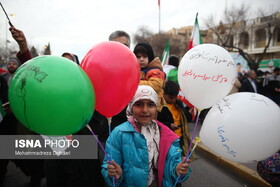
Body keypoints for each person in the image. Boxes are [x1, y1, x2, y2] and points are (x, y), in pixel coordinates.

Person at [101, 85, 191, 187]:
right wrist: (114, 174)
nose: (145, 110)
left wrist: (178, 170)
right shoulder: (119, 133)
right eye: (139, 104)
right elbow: (108, 165)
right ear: (131, 107)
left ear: (156, 108)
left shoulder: (167, 135)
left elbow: (172, 168)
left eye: (150, 105)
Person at [157, 81, 191, 157]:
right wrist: (169, 125)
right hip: (166, 141)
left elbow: (185, 117)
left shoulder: (178, 103)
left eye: (175, 97)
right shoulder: (159, 106)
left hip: (180, 139)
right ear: (163, 93)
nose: (173, 100)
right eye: (170, 97)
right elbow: (155, 122)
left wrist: (190, 114)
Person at [133, 42, 165, 112]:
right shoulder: (135, 70)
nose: (141, 59)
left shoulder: (155, 70)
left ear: (150, 57)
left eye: (144, 56)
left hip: (153, 107)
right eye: (138, 57)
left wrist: (135, 83)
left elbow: (155, 85)